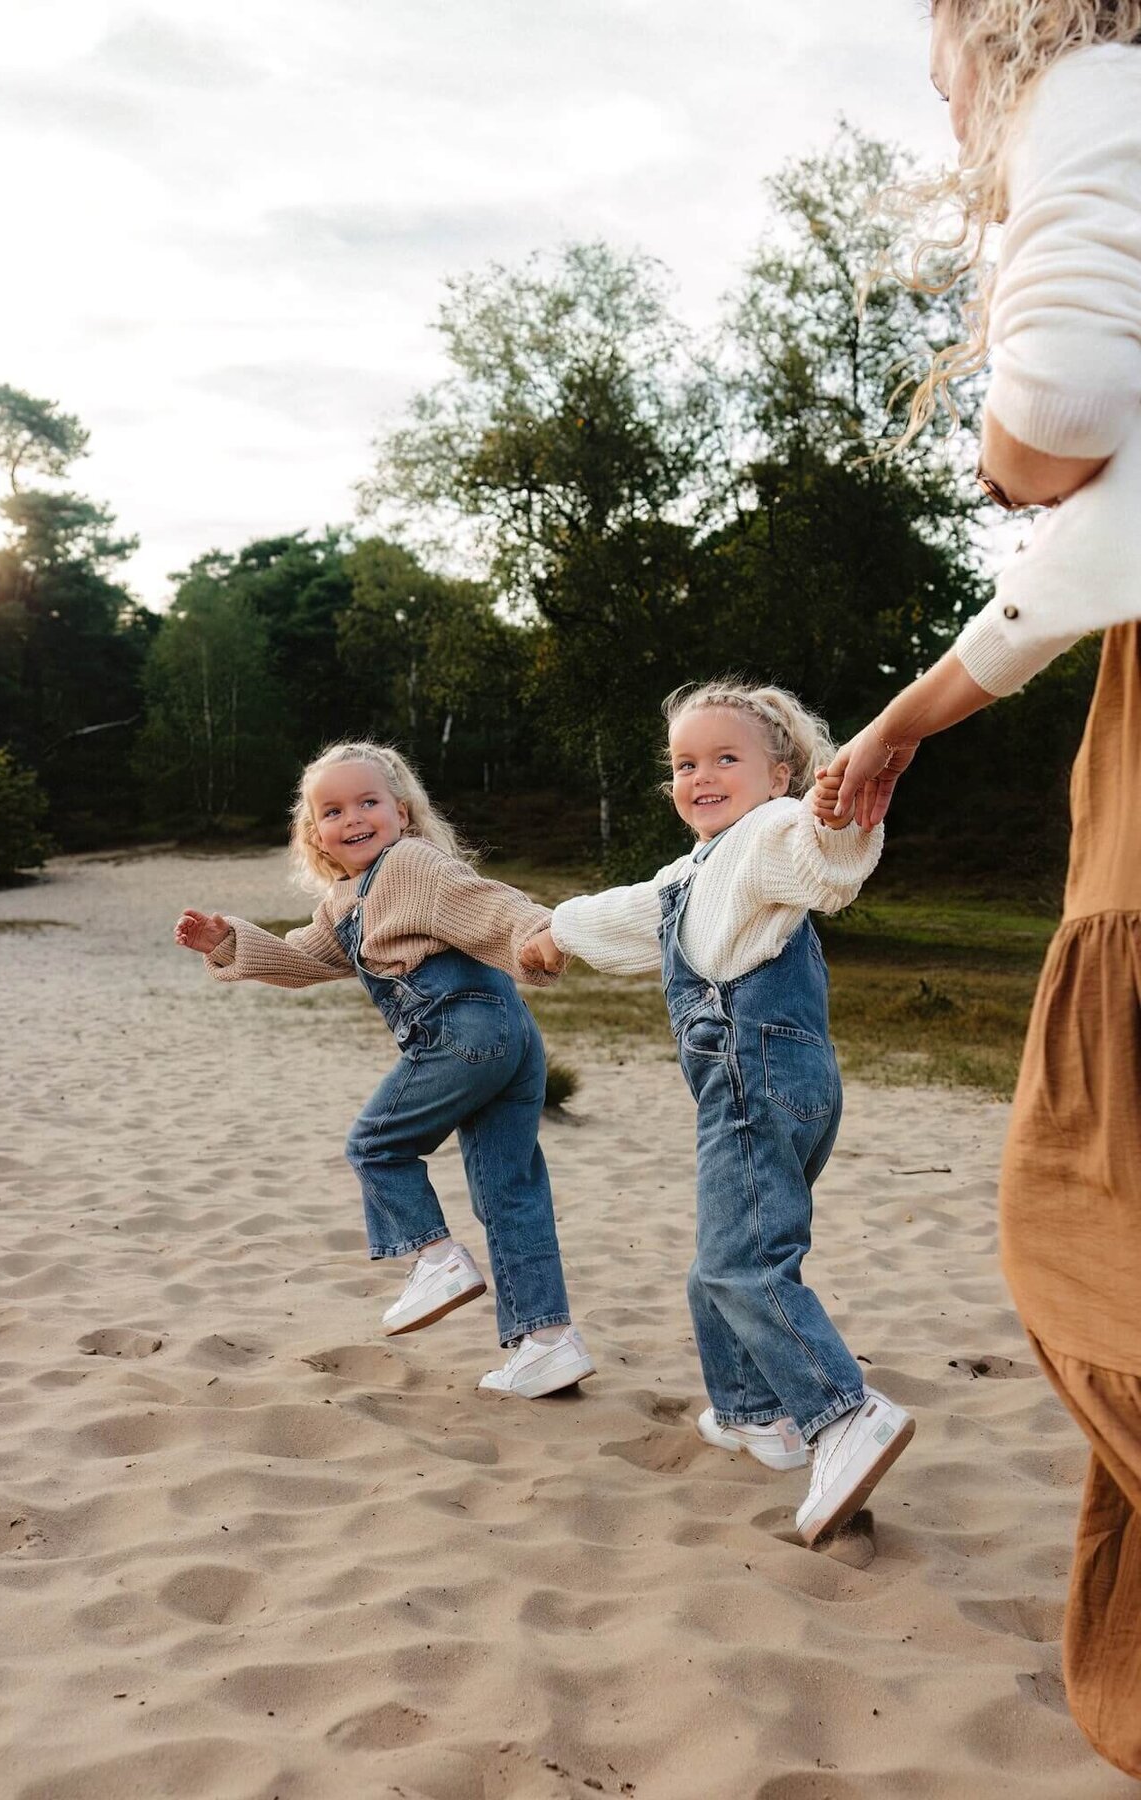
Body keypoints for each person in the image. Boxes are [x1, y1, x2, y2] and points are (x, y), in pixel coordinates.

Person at [824, 3, 1141, 1777]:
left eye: (942, 49)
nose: (941, 94)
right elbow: (1100, 554)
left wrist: (1005, 456)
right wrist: (902, 722)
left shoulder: (1097, 85)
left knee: (1083, 1208)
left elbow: (1067, 419)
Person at [522, 681, 915, 1546]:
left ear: (779, 775)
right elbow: (631, 910)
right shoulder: (693, 873)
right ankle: (752, 1413)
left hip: (753, 1080)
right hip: (782, 1085)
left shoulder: (769, 834)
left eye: (724, 758)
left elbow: (823, 858)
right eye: (684, 764)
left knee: (745, 1265)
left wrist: (838, 819)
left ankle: (842, 1413)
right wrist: (559, 932)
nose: (699, 776)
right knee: (720, 1261)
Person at [173, 739, 595, 1400]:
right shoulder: (343, 906)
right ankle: (547, 1342)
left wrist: (536, 931)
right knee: (508, 1192)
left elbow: (485, 900)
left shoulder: (411, 864)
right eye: (333, 811)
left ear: (402, 812)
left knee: (375, 1145)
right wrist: (228, 942)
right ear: (316, 834)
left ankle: (436, 1258)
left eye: (368, 802)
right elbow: (302, 961)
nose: (353, 818)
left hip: (465, 1034)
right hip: (510, 1043)